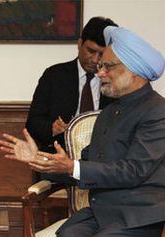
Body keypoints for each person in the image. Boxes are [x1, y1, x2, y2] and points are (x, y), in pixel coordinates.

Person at [0, 26, 165, 237]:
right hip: (106, 210)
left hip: (143, 214)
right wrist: (38, 159)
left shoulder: (160, 113)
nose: (100, 72)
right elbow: (85, 163)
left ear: (134, 71)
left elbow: (134, 170)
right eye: (100, 66)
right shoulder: (110, 112)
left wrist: (72, 168)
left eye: (108, 67)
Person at [25, 17, 118, 153]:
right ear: (80, 44)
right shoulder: (54, 75)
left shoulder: (115, 80)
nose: (95, 60)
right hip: (60, 154)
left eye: (102, 54)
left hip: (102, 158)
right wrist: (52, 128)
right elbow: (32, 123)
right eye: (91, 51)